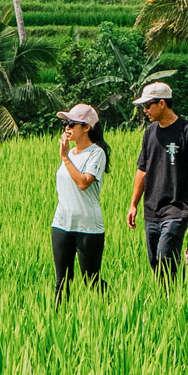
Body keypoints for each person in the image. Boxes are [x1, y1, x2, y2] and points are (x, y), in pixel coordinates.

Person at [126, 82, 188, 279]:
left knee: (166, 255)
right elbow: (142, 170)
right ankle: (169, 297)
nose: (145, 111)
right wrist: (133, 204)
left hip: (178, 206)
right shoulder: (150, 133)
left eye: (148, 106)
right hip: (152, 206)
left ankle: (173, 296)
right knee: (155, 261)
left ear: (162, 103)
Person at [51, 103, 110, 303]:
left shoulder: (96, 153)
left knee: (90, 278)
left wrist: (65, 158)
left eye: (72, 123)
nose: (67, 127)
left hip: (88, 227)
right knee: (62, 281)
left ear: (87, 127)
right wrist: (67, 156)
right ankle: (58, 322)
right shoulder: (69, 153)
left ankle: (114, 309)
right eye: (66, 123)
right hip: (61, 224)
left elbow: (84, 183)